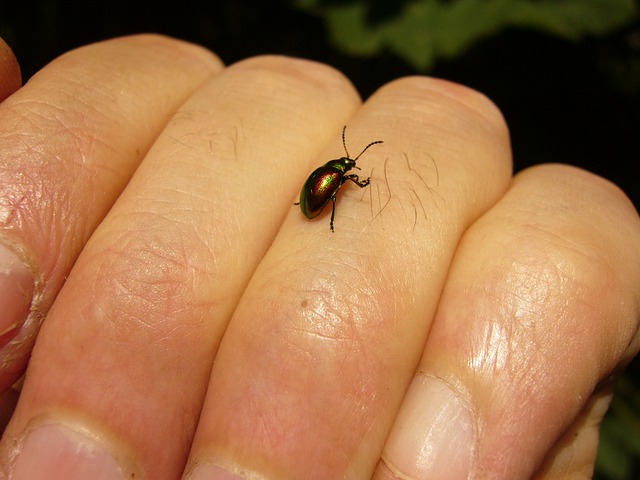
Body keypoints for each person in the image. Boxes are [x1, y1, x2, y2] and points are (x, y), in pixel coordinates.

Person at [0, 34, 638, 480]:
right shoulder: (335, 177)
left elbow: (326, 190)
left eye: (350, 168)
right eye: (350, 166)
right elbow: (328, 191)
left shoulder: (332, 174)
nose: (353, 172)